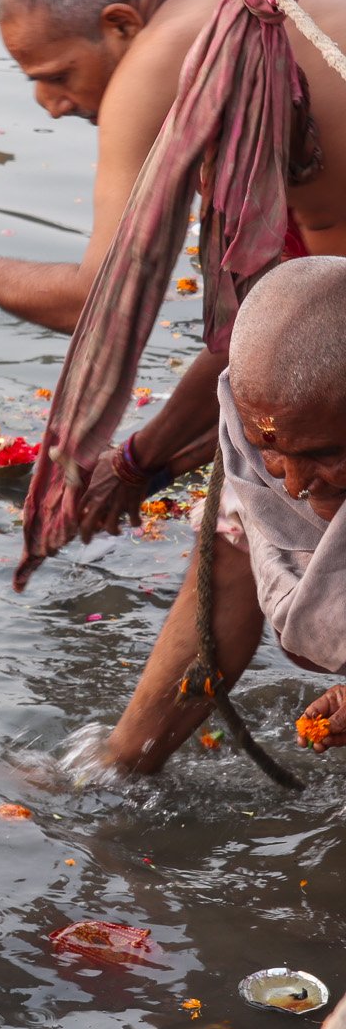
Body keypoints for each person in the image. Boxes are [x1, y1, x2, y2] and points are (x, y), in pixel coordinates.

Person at [0, 0, 346, 543]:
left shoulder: (154, 58)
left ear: (119, 25)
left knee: (254, 519)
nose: (51, 105)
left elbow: (93, 302)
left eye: (58, 76)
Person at [103, 256, 346, 771]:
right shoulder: (253, 450)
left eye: (324, 454)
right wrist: (124, 760)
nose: (294, 485)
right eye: (272, 450)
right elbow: (233, 565)